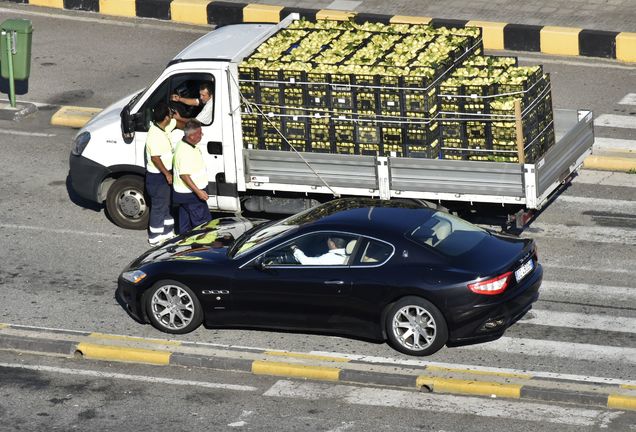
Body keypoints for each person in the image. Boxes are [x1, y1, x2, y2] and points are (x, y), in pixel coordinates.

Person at [172, 119, 212, 234]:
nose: (202, 135)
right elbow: (184, 175)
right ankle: (203, 248)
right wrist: (198, 192)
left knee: (185, 226)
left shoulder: (184, 144)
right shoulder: (185, 151)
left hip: (184, 195)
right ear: (192, 136)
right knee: (202, 225)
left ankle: (186, 246)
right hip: (191, 196)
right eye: (200, 133)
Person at [145, 101, 176, 245]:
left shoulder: (163, 127)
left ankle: (167, 232)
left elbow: (179, 122)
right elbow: (155, 158)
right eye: (170, 113)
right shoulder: (155, 135)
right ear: (166, 118)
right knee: (158, 206)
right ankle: (155, 238)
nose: (171, 115)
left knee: (166, 204)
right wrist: (167, 174)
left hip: (163, 175)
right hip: (158, 177)